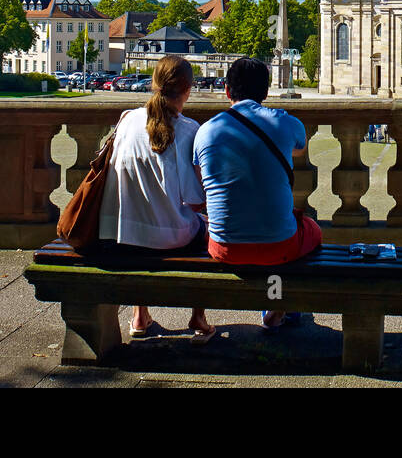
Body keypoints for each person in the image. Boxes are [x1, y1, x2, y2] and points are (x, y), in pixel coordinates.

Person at [194, 56, 320, 328]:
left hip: (223, 248)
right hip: (279, 246)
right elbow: (300, 148)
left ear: (227, 91)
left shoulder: (206, 131)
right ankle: (278, 304)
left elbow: (199, 188)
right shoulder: (284, 122)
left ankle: (273, 304)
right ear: (266, 92)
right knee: (311, 230)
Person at [97, 54, 214, 339]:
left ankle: (139, 315)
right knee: (210, 232)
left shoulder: (127, 120)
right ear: (188, 90)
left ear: (154, 83)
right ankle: (198, 317)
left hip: (120, 235)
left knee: (144, 213)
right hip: (167, 239)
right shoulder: (188, 131)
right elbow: (196, 200)